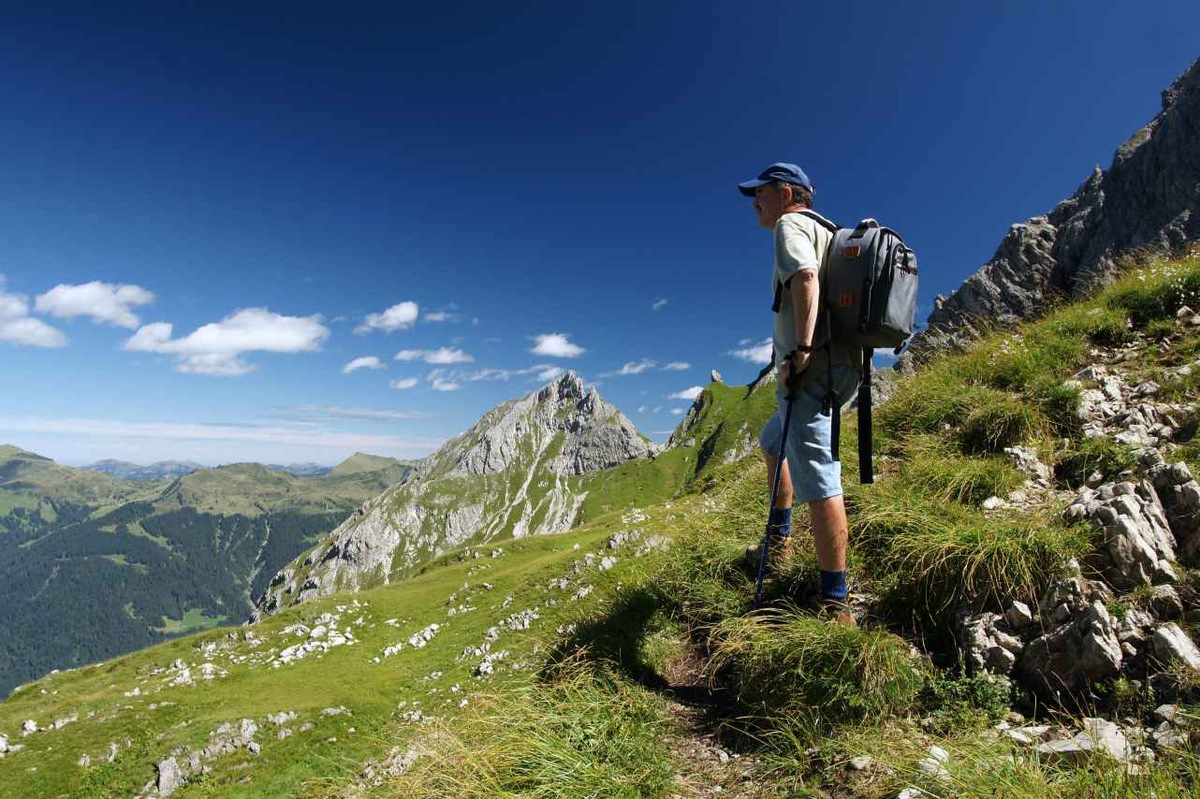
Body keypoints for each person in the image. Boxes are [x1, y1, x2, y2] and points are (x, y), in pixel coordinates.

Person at [738, 162, 860, 623]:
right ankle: (782, 541)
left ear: (788, 193)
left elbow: (806, 279)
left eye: (761, 192)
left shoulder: (790, 224)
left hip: (812, 369)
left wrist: (802, 352)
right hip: (842, 365)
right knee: (773, 441)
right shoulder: (826, 230)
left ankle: (836, 603)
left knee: (819, 477)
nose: (756, 201)